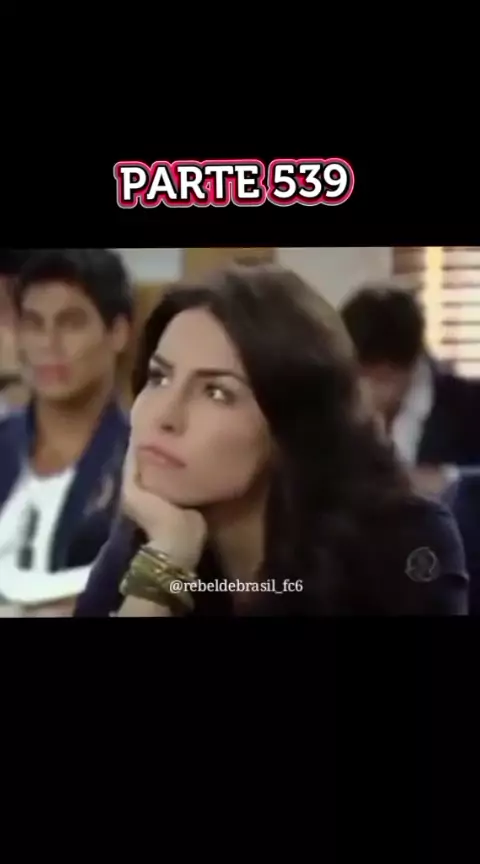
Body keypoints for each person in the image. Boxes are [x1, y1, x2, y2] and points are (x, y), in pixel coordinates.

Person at [75, 264, 468, 617]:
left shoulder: (404, 545)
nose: (164, 416)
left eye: (216, 392)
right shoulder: (153, 535)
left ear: (288, 425)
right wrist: (166, 562)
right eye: (159, 378)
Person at [0, 248, 132, 610]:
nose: (49, 343)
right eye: (34, 323)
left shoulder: (144, 463)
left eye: (71, 322)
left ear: (118, 332)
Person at [340, 285, 480, 498]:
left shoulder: (469, 405)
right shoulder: (333, 406)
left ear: (414, 363)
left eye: (383, 378)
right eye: (360, 375)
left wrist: (449, 480)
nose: (371, 390)